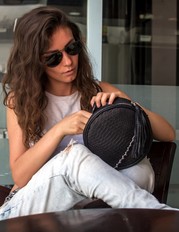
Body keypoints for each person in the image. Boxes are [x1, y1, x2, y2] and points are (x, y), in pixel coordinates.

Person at [0, 6, 177, 220]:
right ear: (35, 61)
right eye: (53, 58)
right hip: (25, 209)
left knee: (137, 168)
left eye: (71, 48)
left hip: (83, 215)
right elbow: (20, 175)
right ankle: (165, 218)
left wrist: (125, 104)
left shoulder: (98, 91)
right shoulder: (20, 101)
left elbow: (167, 134)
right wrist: (59, 130)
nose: (67, 61)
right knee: (74, 155)